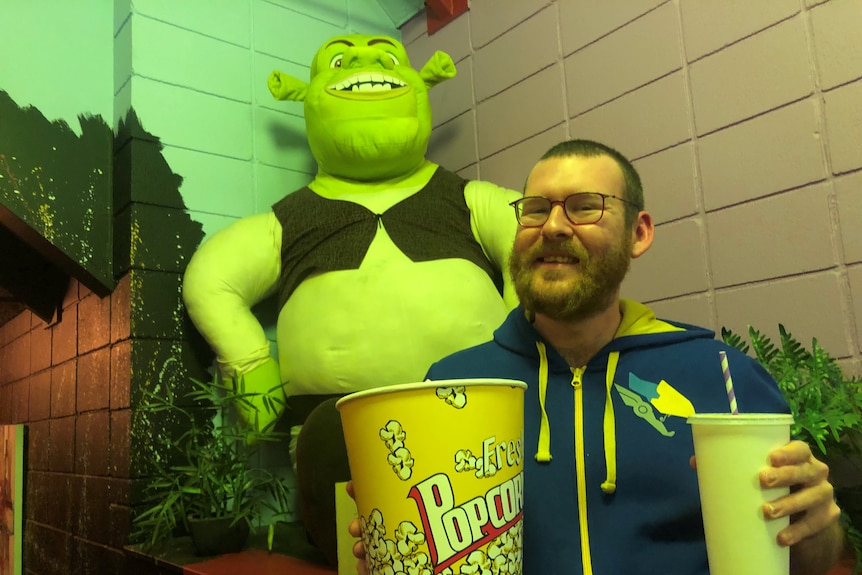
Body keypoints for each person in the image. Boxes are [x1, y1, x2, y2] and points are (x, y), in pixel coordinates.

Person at [347, 139, 845, 575]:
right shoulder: (452, 387)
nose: (554, 227)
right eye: (536, 209)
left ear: (639, 233)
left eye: (585, 207)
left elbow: (803, 557)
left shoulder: (720, 375)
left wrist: (815, 526)